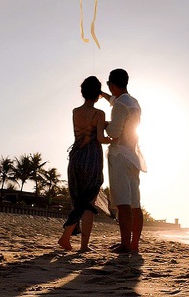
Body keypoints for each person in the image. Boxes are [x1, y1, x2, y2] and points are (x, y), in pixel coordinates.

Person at [59, 76, 112, 252]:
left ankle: (67, 238)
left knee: (78, 200)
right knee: (89, 201)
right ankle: (83, 245)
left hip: (76, 155)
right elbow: (100, 138)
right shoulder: (99, 114)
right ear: (97, 94)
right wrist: (114, 138)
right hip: (91, 156)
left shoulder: (75, 111)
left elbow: (84, 131)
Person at [103, 68, 146, 253]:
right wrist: (104, 95)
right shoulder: (134, 102)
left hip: (120, 155)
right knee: (135, 204)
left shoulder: (121, 104)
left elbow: (113, 132)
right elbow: (116, 100)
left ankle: (125, 244)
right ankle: (134, 244)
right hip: (133, 157)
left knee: (123, 203)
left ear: (112, 84)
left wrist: (101, 124)